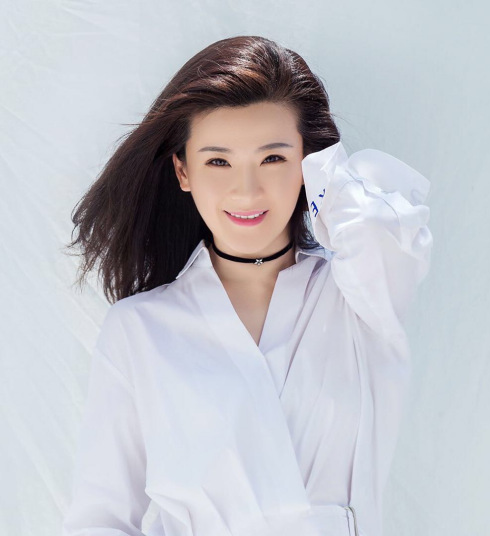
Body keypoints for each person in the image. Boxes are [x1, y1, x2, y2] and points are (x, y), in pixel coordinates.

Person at [62, 35, 433, 536]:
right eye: (218, 161)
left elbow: (378, 226)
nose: (247, 190)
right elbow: (100, 520)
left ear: (307, 164)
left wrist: (326, 179)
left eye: (273, 159)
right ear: (183, 170)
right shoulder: (139, 328)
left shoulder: (359, 299)